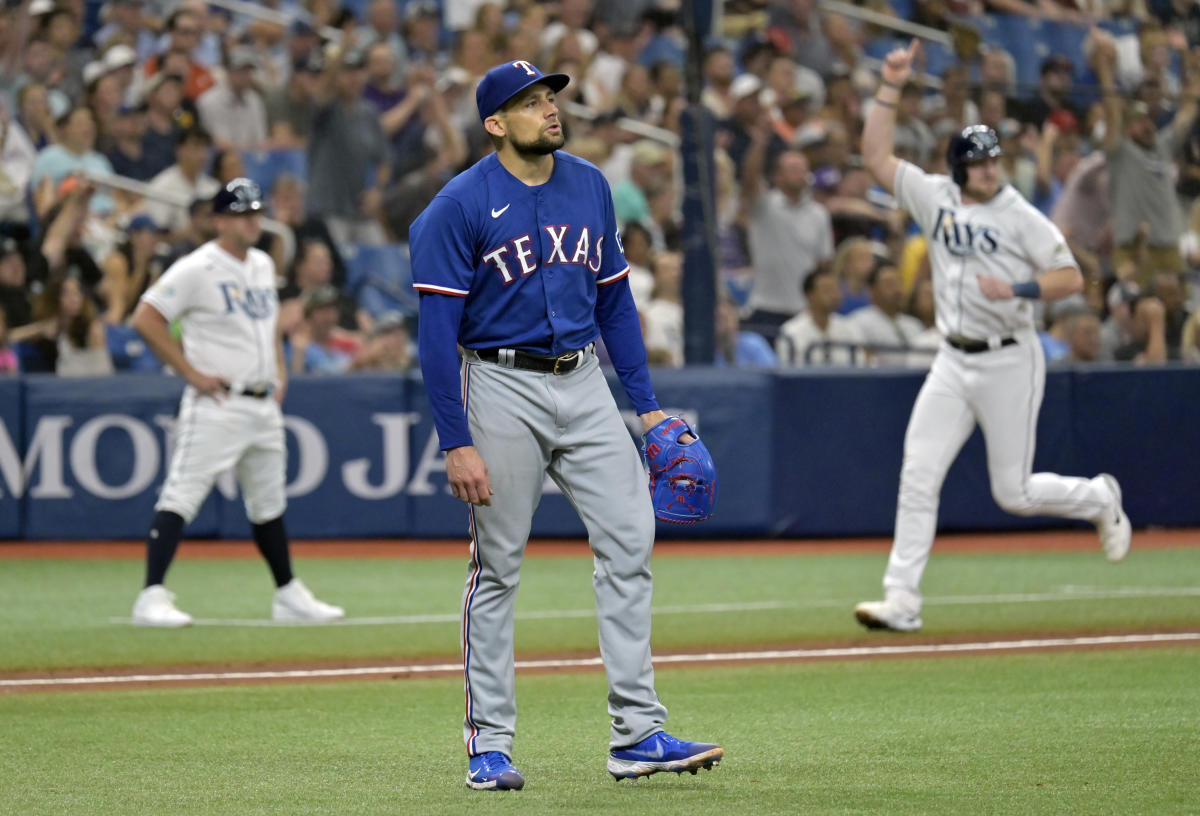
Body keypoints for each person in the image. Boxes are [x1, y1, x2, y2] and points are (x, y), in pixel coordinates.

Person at [408, 60, 722, 792]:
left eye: (550, 98)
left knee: (630, 538)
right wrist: (456, 441)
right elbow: (434, 336)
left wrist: (645, 408)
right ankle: (488, 744)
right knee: (499, 567)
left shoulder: (589, 184)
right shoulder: (457, 206)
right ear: (494, 124)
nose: (548, 110)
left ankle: (638, 734)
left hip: (582, 382)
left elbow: (614, 302)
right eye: (528, 103)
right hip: (498, 382)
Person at [853, 41, 1132, 633]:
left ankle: (1099, 498)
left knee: (1015, 492)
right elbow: (874, 155)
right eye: (979, 162)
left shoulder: (1018, 213)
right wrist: (891, 84)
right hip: (952, 361)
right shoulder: (936, 197)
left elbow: (1069, 277)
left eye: (994, 160)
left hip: (1010, 359)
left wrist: (1020, 291)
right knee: (918, 471)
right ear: (958, 168)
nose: (990, 169)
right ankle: (902, 600)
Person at [127, 178, 344, 628]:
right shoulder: (197, 267)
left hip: (261, 402)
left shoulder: (263, 263)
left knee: (269, 502)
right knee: (182, 493)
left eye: (256, 212)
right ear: (220, 219)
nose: (252, 221)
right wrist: (190, 374)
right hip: (218, 401)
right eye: (242, 214)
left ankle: (287, 594)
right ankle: (151, 595)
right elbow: (146, 318)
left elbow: (268, 327)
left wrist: (280, 371)